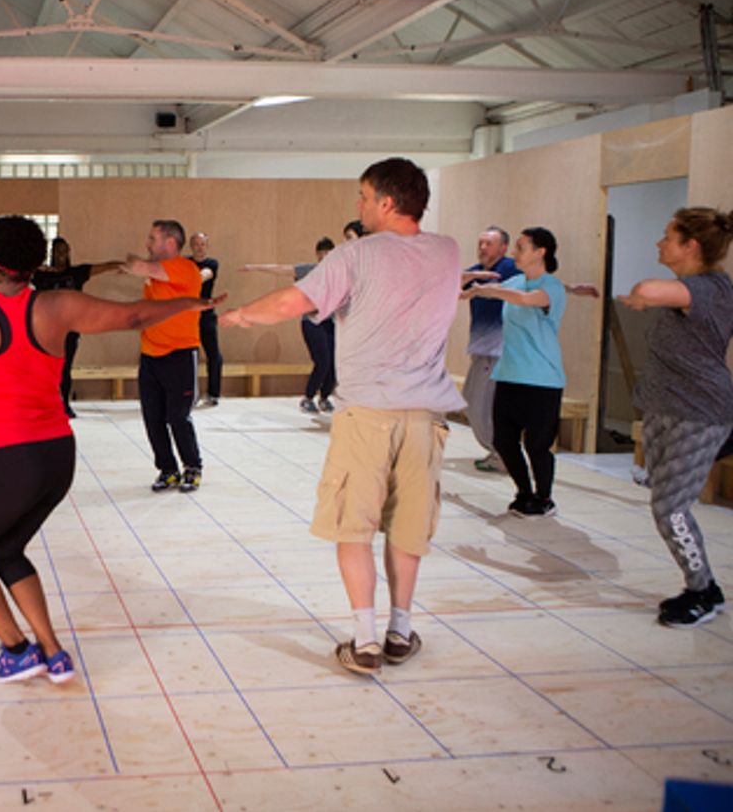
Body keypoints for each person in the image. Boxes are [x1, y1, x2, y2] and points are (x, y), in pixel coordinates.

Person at [0, 216, 217, 682]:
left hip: (5, 460)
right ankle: (53, 652)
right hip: (57, 458)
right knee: (6, 551)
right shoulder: (58, 306)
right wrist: (193, 302)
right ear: (38, 265)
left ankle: (16, 648)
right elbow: (132, 315)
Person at [219, 157, 463, 677]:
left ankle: (366, 640)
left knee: (354, 526)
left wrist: (240, 315)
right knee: (408, 526)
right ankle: (400, 630)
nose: (359, 205)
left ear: (387, 202)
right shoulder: (447, 251)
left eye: (364, 196)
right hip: (425, 417)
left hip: (368, 413)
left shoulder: (357, 255)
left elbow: (292, 300)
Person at [618, 207, 733, 627]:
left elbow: (649, 288)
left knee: (671, 508)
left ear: (691, 246)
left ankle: (703, 591)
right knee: (663, 501)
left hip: (699, 413)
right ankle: (700, 586)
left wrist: (642, 295)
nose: (658, 243)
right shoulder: (689, 290)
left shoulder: (711, 288)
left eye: (668, 236)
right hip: (667, 409)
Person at [462, 228, 567, 519]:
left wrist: (488, 290)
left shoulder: (550, 286)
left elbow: (529, 299)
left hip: (543, 379)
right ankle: (524, 492)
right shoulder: (514, 281)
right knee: (504, 441)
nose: (515, 253)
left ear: (540, 251)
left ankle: (544, 498)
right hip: (508, 374)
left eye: (521, 247)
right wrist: (471, 290)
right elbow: (493, 291)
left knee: (537, 445)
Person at [124, 220, 207, 492]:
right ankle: (167, 470)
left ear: (170, 243)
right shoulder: (158, 275)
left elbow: (139, 266)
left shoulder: (185, 269)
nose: (147, 244)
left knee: (177, 416)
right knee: (153, 417)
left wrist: (129, 264)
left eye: (153, 239)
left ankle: (192, 466)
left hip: (180, 354)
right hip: (150, 356)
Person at [241, 236, 338, 414]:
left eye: (329, 253)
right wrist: (255, 267)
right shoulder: (308, 270)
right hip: (311, 323)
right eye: (322, 254)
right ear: (317, 255)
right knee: (322, 361)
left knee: (334, 362)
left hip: (329, 323)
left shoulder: (338, 274)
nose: (325, 257)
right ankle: (308, 398)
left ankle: (324, 397)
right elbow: (281, 269)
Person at [31, 237, 120, 417]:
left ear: (69, 252)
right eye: (57, 251)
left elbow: (103, 266)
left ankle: (64, 403)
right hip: (47, 329)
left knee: (65, 366)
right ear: (52, 253)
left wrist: (123, 265)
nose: (61, 255)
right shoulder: (42, 275)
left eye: (64, 251)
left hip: (70, 329)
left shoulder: (76, 274)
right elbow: (18, 271)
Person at [461, 227, 520, 472]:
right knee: (469, 400)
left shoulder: (511, 270)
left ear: (503, 247)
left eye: (488, 243)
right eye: (480, 242)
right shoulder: (475, 272)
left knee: (481, 405)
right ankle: (499, 451)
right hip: (481, 350)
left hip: (498, 351)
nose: (482, 247)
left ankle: (502, 453)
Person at [188, 232, 224, 408]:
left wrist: (183, 279)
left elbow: (202, 276)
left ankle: (213, 393)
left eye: (202, 244)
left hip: (206, 314)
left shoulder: (212, 264)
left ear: (206, 246)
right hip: (187, 315)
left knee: (214, 354)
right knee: (189, 355)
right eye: (195, 244)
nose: (199, 247)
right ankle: (189, 393)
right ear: (191, 246)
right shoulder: (185, 263)